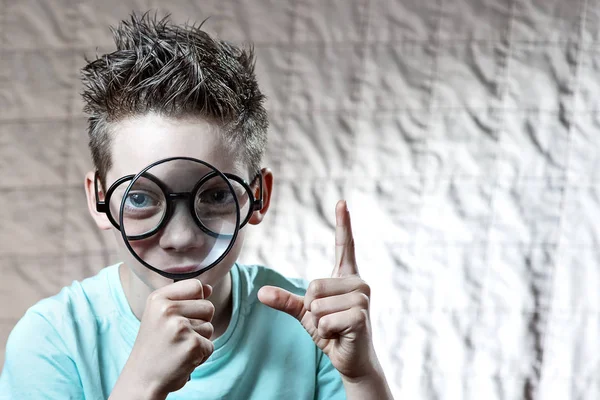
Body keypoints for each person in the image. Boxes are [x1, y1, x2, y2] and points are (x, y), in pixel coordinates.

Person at [0, 13, 393, 400]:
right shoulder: (53, 340)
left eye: (216, 195)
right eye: (140, 198)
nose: (182, 237)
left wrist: (361, 376)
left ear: (258, 197)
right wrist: (141, 383)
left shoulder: (312, 326)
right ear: (99, 200)